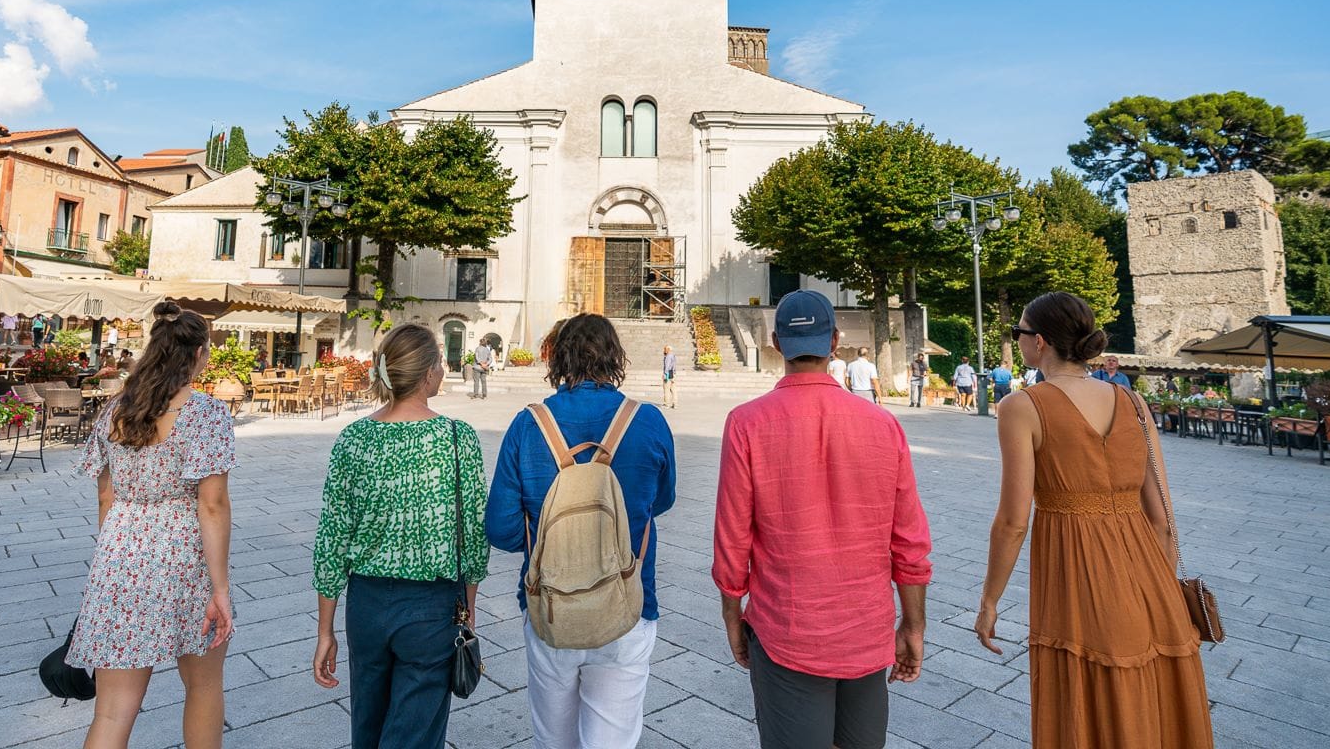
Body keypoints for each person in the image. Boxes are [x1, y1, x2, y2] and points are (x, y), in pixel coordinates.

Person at [976, 292, 1213, 749]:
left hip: (1077, 576)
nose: (1018, 341)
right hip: (1150, 579)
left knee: (1086, 703)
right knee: (1153, 709)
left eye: (1017, 333)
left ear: (1039, 342)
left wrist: (989, 601)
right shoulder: (1133, 402)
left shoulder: (1021, 407)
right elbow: (1163, 518)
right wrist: (1159, 594)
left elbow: (1012, 521)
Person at [713, 290, 932, 749]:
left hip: (786, 631)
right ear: (834, 342)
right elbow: (910, 543)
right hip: (866, 631)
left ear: (776, 343)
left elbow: (733, 538)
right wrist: (913, 625)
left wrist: (733, 616)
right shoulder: (882, 424)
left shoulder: (746, 423)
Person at [485, 314, 677, 749]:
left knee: (554, 738)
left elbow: (500, 528)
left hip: (549, 605)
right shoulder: (647, 420)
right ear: (615, 356)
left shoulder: (528, 424)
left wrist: (549, 542)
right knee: (613, 736)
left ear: (558, 357)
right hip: (626, 601)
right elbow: (660, 503)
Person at [68, 301, 238, 749]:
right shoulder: (207, 414)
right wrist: (220, 589)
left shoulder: (116, 411)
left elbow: (105, 495)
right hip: (183, 552)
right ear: (200, 352)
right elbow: (213, 505)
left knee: (111, 711)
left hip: (121, 549)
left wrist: (111, 557)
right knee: (202, 686)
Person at [312, 323, 490, 749]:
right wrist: (468, 608)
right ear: (429, 374)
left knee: (368, 728)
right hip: (431, 607)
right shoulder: (455, 438)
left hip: (367, 605)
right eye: (441, 363)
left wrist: (325, 630)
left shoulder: (354, 438)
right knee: (414, 733)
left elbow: (332, 539)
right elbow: (474, 538)